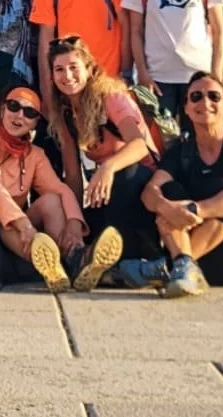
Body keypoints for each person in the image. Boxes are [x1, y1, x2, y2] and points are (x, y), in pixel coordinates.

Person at [0, 86, 118, 291]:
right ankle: (61, 264)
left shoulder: (35, 154)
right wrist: (22, 222)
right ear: (2, 110)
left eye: (29, 112)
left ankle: (74, 256)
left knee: (51, 201)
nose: (19, 115)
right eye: (14, 106)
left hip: (18, 231)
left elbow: (60, 189)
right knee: (1, 220)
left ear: (35, 124)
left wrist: (75, 225)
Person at [124, 72, 223, 297]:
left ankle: (169, 268)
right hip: (207, 262)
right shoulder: (179, 152)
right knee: (168, 192)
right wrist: (167, 207)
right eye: (196, 97)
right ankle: (184, 268)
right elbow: (150, 192)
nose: (205, 102)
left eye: (214, 97)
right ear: (185, 108)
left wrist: (195, 210)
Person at [47, 36, 161, 270]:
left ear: (89, 69)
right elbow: (73, 175)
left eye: (73, 68)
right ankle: (86, 256)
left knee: (123, 174)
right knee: (84, 222)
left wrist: (108, 167)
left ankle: (122, 261)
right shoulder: (66, 112)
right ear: (51, 75)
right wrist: (74, 221)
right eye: (59, 69)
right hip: (109, 190)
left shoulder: (111, 97)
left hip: (140, 180)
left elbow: (140, 146)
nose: (67, 76)